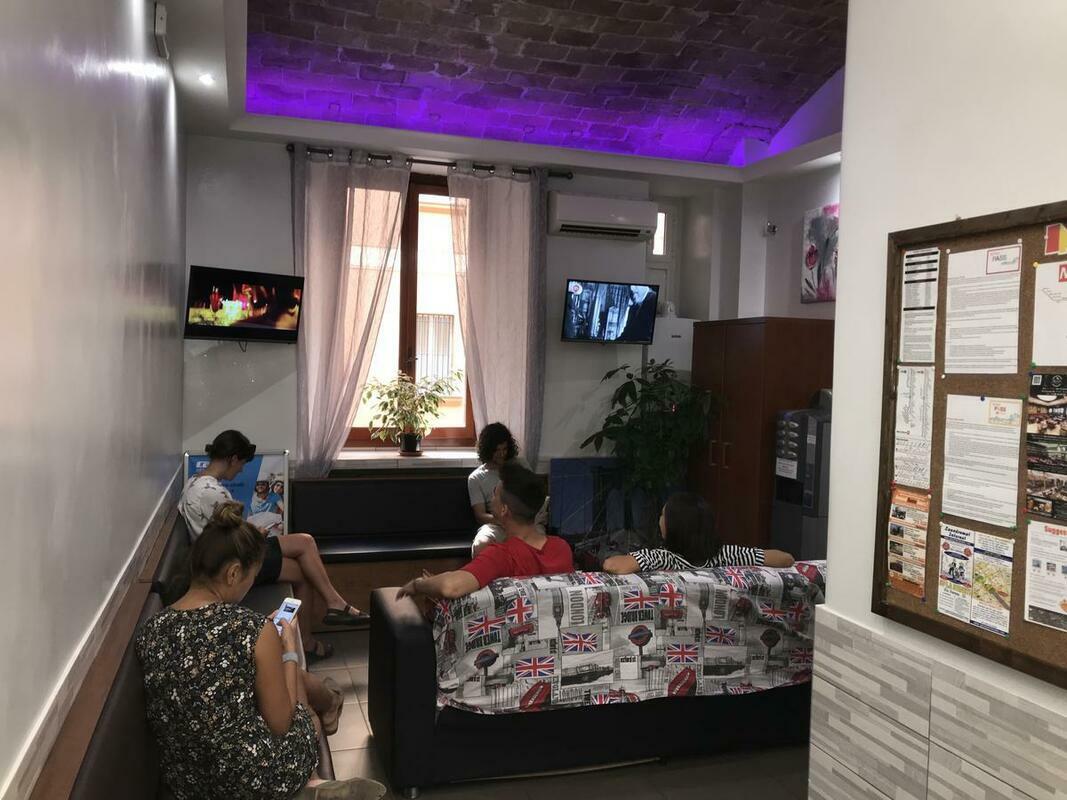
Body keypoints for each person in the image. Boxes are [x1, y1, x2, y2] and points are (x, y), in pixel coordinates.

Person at [137, 503, 382, 800]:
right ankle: (311, 786)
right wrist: (288, 649)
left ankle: (327, 710)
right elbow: (281, 723)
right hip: (251, 781)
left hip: (188, 783)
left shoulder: (151, 629)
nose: (249, 586)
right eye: (250, 578)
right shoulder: (251, 629)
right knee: (308, 718)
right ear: (233, 573)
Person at [180, 430, 367, 663]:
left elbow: (224, 529)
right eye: (241, 464)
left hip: (231, 552)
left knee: (305, 543)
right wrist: (256, 533)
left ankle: (331, 608)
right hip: (234, 560)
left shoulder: (195, 482)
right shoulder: (212, 493)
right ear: (233, 458)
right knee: (302, 566)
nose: (241, 470)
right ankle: (316, 629)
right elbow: (234, 538)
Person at [399, 462, 572, 600]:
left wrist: (417, 585)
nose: (491, 498)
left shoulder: (501, 555)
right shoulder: (561, 548)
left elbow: (451, 587)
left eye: (495, 493)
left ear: (504, 510)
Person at [602, 492, 794, 574]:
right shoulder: (727, 554)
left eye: (663, 516)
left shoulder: (663, 559)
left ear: (673, 528)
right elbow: (786, 559)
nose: (659, 520)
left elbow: (612, 565)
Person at [468, 423, 548, 556]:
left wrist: (522, 521)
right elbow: (480, 516)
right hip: (496, 525)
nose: (501, 454)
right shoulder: (476, 478)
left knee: (540, 546)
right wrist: (505, 521)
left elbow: (533, 496)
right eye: (497, 450)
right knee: (481, 544)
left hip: (526, 523)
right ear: (487, 450)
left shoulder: (520, 465)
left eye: (504, 449)